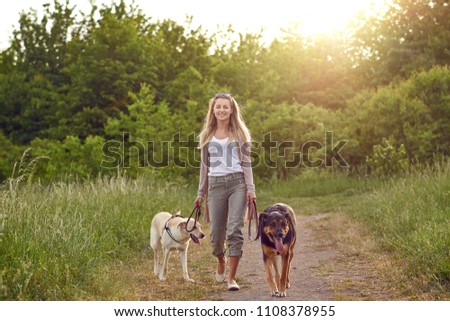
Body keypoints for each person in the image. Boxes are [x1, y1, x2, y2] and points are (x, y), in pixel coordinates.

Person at [194, 93, 256, 291]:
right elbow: (204, 168)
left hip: (238, 183)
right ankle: (221, 260)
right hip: (215, 184)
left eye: (225, 107)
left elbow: (246, 164)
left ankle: (231, 278)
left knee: (234, 230)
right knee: (216, 235)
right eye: (218, 106)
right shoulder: (207, 135)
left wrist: (250, 189)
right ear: (213, 110)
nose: (221, 110)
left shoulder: (240, 134)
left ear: (231, 110)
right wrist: (200, 193)